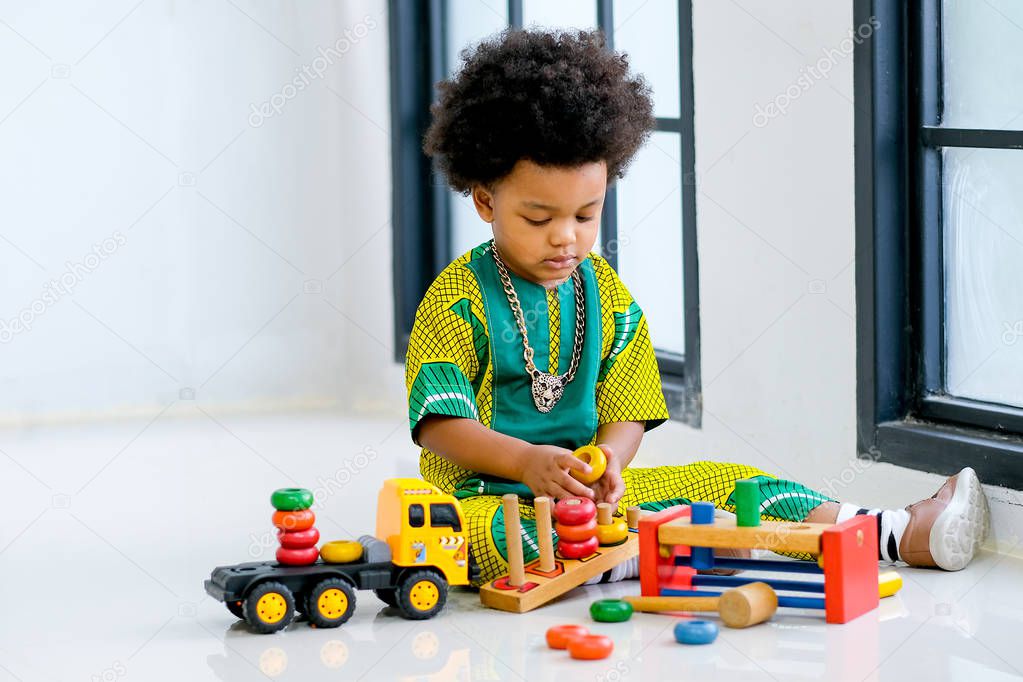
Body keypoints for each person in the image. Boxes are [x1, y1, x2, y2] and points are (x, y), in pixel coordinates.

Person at [404, 28, 990, 585]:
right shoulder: (455, 300)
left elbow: (627, 405)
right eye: (539, 218)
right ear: (485, 200)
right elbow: (438, 426)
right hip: (483, 501)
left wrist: (608, 457)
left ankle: (898, 533)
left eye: (586, 215)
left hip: (588, 502)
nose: (566, 238)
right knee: (502, 535)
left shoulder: (604, 294)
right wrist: (527, 462)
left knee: (730, 482)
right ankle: (696, 546)